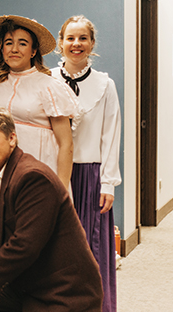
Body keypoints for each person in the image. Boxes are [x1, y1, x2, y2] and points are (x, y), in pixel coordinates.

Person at [0, 106, 103, 312]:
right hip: (26, 285)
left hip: (62, 293)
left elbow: (25, 244)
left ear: (12, 139)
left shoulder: (33, 178)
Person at [51, 15, 121, 312]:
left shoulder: (105, 84)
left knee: (91, 248)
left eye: (83, 38)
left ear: (92, 44)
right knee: (55, 246)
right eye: (70, 38)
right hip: (53, 174)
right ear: (60, 43)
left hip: (90, 176)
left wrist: (108, 183)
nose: (76, 44)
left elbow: (111, 135)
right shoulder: (46, 79)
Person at [0, 15, 80, 189]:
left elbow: (66, 144)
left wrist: (61, 190)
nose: (14, 49)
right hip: (2, 174)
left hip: (41, 173)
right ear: (1, 48)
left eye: (23, 43)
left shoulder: (49, 86)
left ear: (33, 51)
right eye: (9, 42)